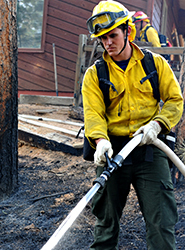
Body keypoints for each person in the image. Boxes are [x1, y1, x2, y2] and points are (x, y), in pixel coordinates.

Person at [83, 1, 183, 249]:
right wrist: (100, 140)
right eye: (102, 38)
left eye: (113, 35)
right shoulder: (95, 75)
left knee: (161, 225)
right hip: (112, 151)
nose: (108, 43)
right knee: (105, 227)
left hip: (150, 149)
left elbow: (174, 100)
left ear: (128, 30)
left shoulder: (155, 64)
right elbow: (93, 113)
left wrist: (158, 125)